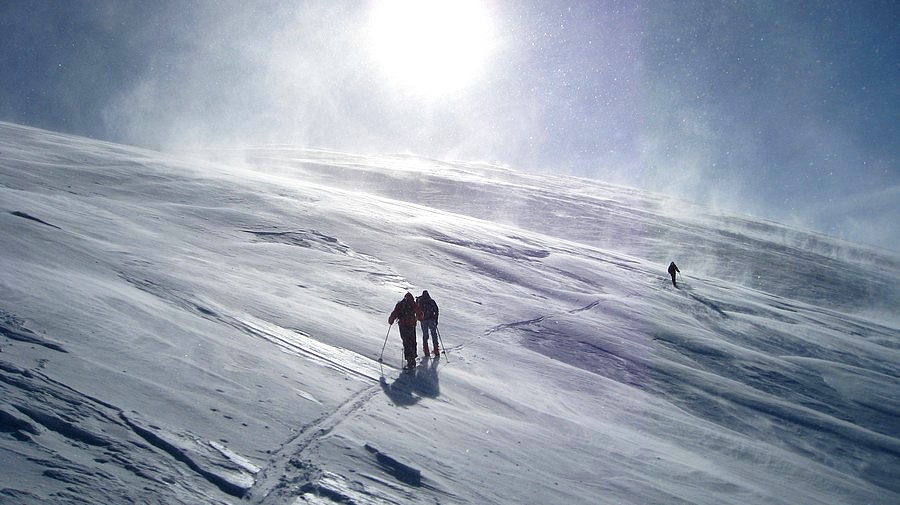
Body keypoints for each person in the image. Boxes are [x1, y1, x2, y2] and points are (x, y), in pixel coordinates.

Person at [389, 292, 423, 369]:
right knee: (412, 341)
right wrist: (420, 318)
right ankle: (413, 357)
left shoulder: (400, 304)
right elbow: (418, 312)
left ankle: (409, 359)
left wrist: (391, 320)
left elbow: (395, 313)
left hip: (403, 325)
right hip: (411, 325)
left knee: (406, 342)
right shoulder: (412, 303)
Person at [416, 290, 440, 357]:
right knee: (434, 334)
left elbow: (417, 310)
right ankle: (436, 350)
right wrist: (436, 319)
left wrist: (419, 318)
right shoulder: (431, 301)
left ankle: (426, 350)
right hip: (431, 319)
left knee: (425, 335)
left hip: (424, 320)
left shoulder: (420, 301)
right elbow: (436, 310)